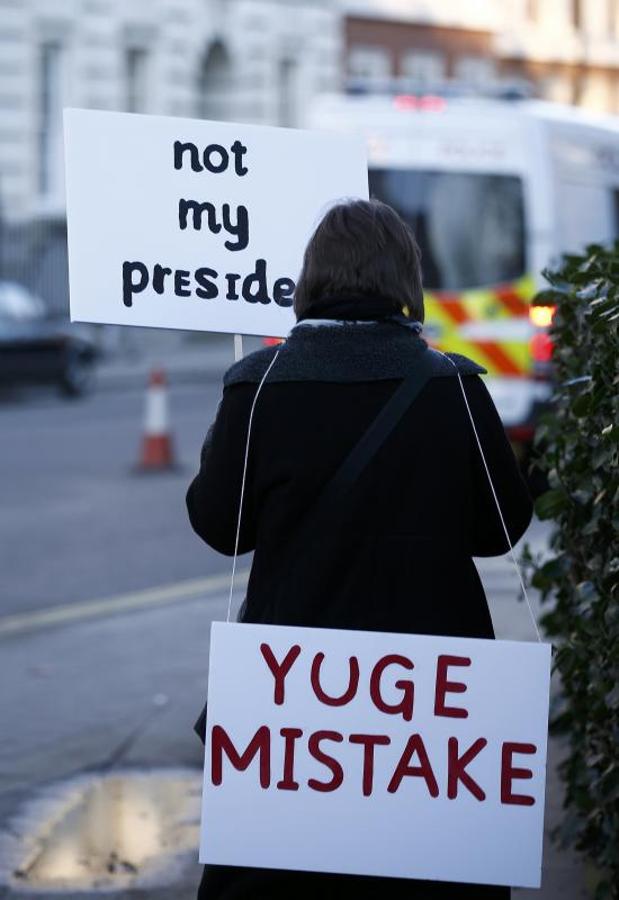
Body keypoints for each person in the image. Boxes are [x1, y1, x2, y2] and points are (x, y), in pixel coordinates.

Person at [186, 198, 533, 900]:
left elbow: (220, 527)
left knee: (290, 875)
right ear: (405, 281)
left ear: (310, 279)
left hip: (297, 698)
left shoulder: (260, 387)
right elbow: (500, 527)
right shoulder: (454, 388)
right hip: (433, 702)